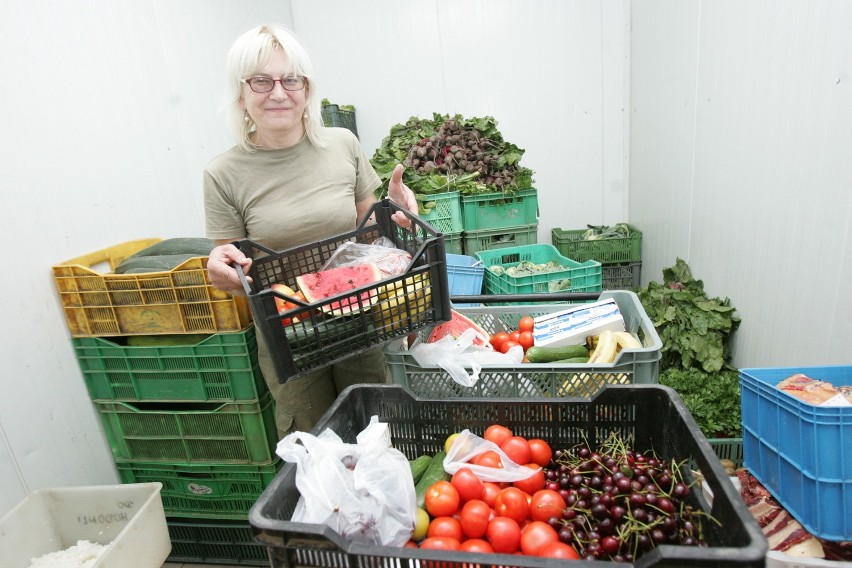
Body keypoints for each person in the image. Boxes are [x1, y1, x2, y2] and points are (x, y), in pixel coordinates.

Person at [203, 24, 418, 438]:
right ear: (240, 93)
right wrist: (218, 269)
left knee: (374, 430)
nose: (279, 93)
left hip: (361, 319)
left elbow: (369, 234)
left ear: (307, 87)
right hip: (289, 334)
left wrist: (397, 214)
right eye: (261, 81)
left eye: (291, 79)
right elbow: (232, 268)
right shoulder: (222, 174)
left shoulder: (342, 145)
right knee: (314, 441)